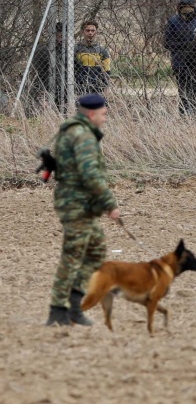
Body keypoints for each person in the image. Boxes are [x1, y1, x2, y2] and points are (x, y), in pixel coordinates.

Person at [45, 93, 120, 326]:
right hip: (75, 204)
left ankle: (75, 305)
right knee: (72, 255)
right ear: (91, 114)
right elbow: (91, 174)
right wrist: (109, 204)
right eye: (104, 114)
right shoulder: (84, 136)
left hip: (78, 202)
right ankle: (58, 311)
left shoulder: (72, 130)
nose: (105, 119)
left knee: (96, 249)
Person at [164, 0, 196, 114]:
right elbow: (167, 43)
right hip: (181, 62)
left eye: (188, 7)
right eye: (183, 7)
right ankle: (185, 114)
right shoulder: (174, 21)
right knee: (184, 91)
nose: (185, 10)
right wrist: (190, 43)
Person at [74, 20, 111, 96]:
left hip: (97, 88)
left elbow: (106, 71)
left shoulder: (102, 51)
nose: (90, 33)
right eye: (87, 30)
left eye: (93, 30)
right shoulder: (75, 49)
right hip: (79, 87)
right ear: (82, 32)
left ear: (96, 32)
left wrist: (106, 89)